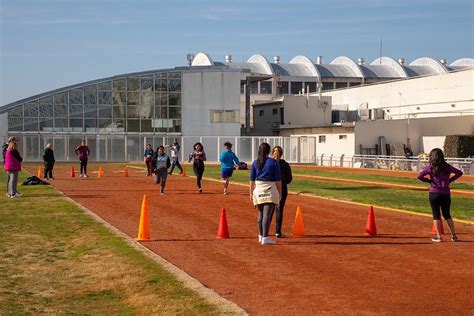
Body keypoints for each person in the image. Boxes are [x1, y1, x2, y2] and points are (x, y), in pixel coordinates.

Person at [417, 148, 463, 242]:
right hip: (445, 193)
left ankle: (438, 236)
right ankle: (454, 235)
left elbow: (419, 176)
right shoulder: (447, 167)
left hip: (434, 192)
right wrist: (450, 180)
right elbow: (459, 173)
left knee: (436, 215)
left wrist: (429, 180)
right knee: (447, 214)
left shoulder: (430, 167)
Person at [249, 143, 281, 245]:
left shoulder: (255, 163)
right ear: (269, 151)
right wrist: (280, 193)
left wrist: (250, 193)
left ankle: (260, 236)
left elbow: (251, 180)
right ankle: (265, 237)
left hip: (258, 188)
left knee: (260, 214)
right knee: (267, 214)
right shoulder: (273, 162)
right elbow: (278, 180)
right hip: (270, 188)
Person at [271, 146, 292, 238]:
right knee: (279, 210)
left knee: (269, 210)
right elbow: (289, 179)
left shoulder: (269, 163)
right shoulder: (285, 164)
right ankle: (278, 232)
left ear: (272, 153)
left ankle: (264, 231)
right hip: (282, 188)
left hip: (271, 188)